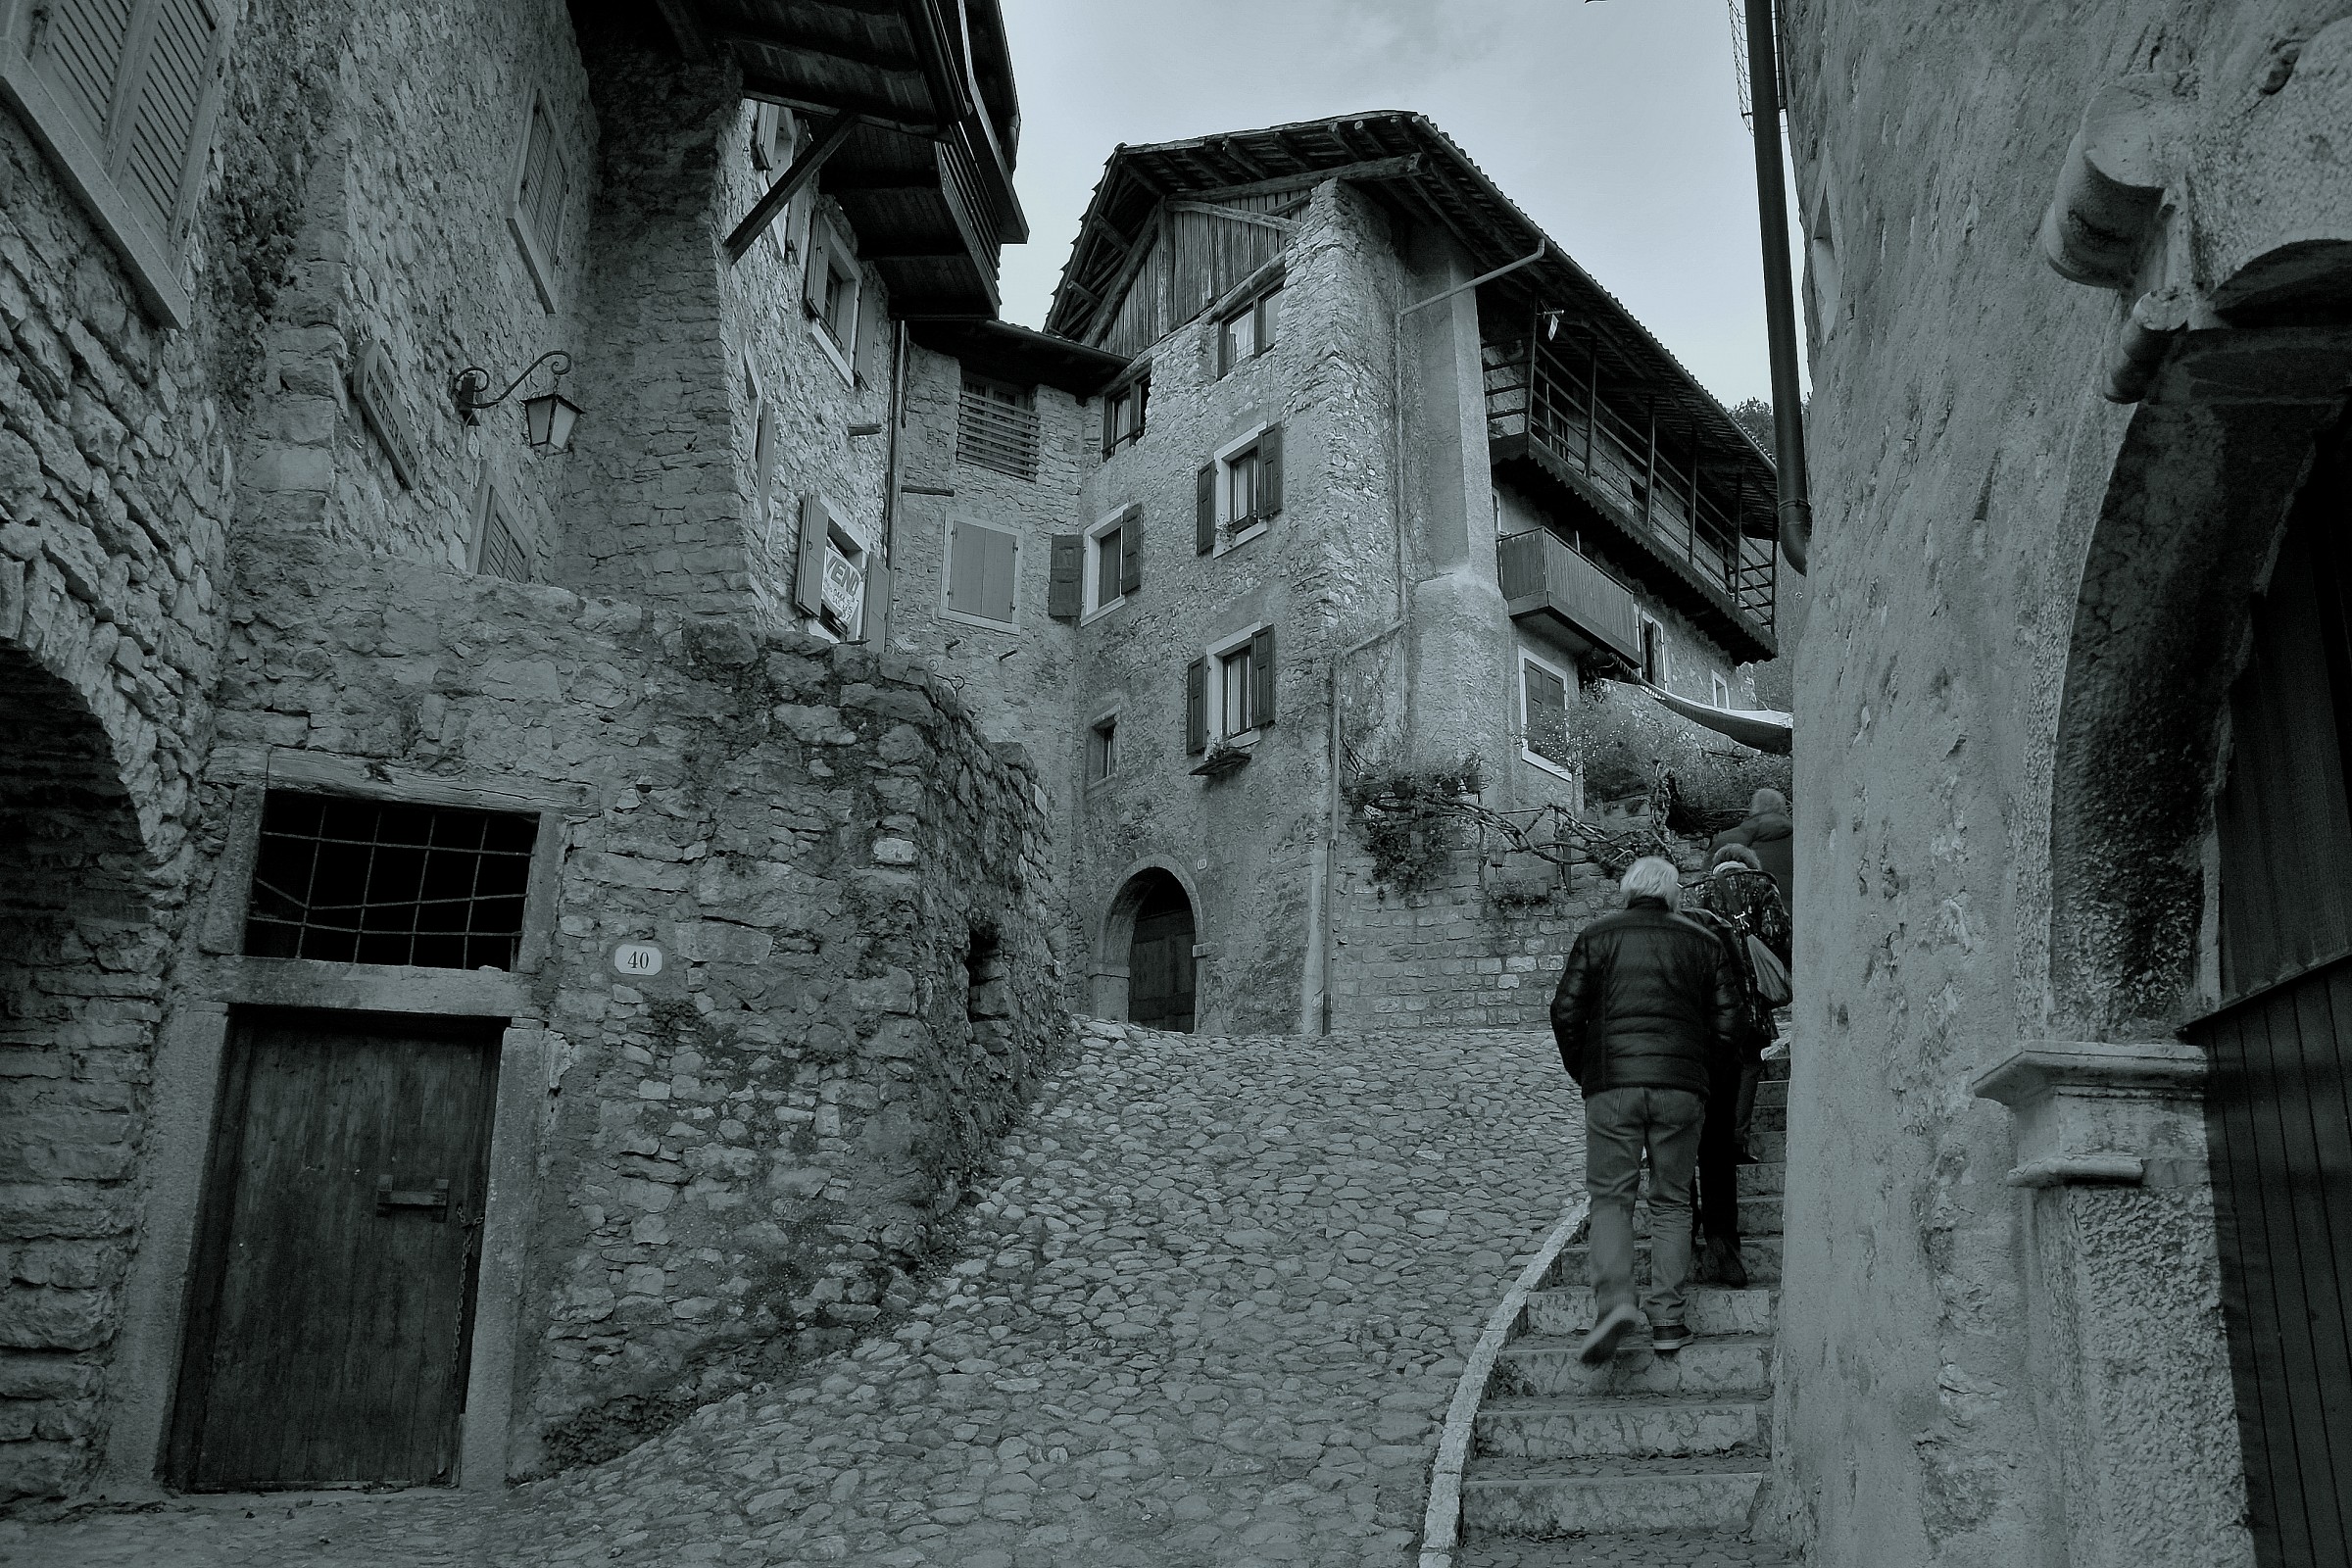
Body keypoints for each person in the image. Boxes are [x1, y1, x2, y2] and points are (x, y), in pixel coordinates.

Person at [1550, 856, 1741, 1363]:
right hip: (1681, 1089)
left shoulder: (1597, 936)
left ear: (1627, 891)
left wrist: (1588, 1073)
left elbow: (1565, 1011)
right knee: (1673, 1200)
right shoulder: (1704, 941)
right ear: (1674, 894)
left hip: (1612, 1087)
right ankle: (1668, 1320)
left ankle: (1615, 1301)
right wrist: (1702, 1078)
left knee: (1611, 1198)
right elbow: (1730, 1020)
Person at [1683, 843, 1792, 1287]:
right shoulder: (1762, 887)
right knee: (1749, 1060)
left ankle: (1687, 1233)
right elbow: (1779, 935)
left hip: (1707, 1006)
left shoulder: (1697, 894)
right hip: (1747, 991)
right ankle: (1736, 1136)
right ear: (1749, 863)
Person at [1710, 787, 1793, 906]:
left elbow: (1706, 885)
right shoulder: (1803, 842)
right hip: (1795, 913)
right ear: (1783, 808)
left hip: (1742, 913)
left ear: (1754, 808)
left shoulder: (1726, 839)